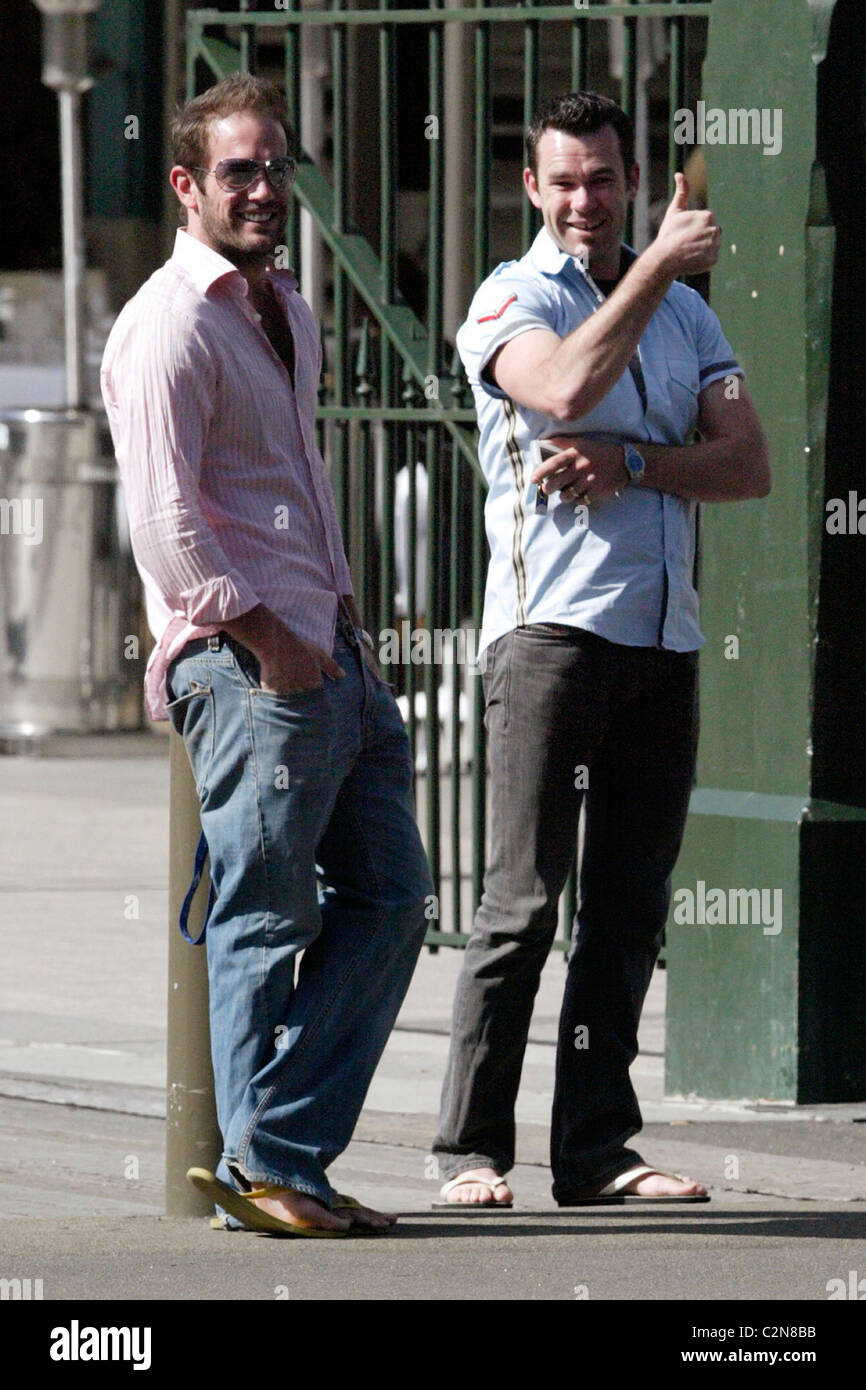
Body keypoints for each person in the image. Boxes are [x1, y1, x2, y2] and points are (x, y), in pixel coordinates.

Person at [101, 74, 432, 1236]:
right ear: (186, 185)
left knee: (393, 898)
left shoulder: (280, 305)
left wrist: (339, 630)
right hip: (251, 664)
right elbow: (164, 525)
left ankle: (281, 1157)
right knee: (263, 918)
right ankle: (271, 1170)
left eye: (276, 166)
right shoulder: (168, 325)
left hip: (329, 653)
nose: (263, 188)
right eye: (238, 169)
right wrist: (271, 638)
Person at [433, 91, 771, 1207]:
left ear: (633, 181)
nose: (586, 200)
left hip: (663, 640)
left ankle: (595, 1150)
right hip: (551, 637)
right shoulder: (510, 297)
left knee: (627, 908)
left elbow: (747, 465)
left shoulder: (689, 320)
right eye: (565, 182)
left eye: (605, 179)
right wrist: (657, 267)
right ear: (532, 187)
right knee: (523, 904)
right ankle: (470, 1151)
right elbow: (563, 384)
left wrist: (632, 464)